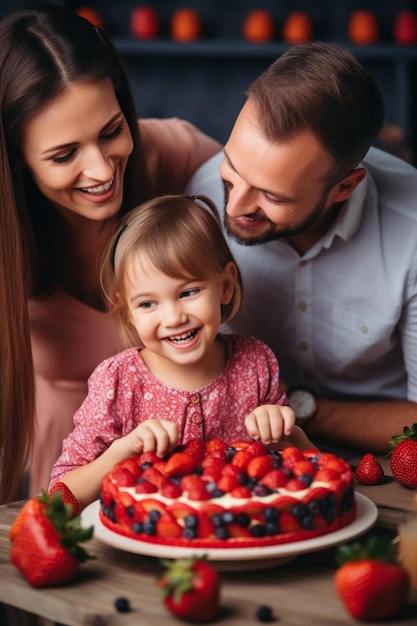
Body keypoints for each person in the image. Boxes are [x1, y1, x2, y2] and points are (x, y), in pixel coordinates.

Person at [0, 4, 221, 504]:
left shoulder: (179, 159)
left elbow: (278, 184)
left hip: (186, 484)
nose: (101, 170)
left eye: (111, 131)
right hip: (61, 484)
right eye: (64, 155)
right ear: (15, 158)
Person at [186, 41, 417, 457]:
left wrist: (293, 407)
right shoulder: (200, 197)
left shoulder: (412, 233)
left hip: (384, 466)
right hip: (238, 460)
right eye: (232, 168)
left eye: (272, 196)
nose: (233, 207)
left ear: (344, 187)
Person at [49, 194, 314, 512]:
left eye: (188, 292)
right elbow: (59, 497)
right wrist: (122, 451)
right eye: (148, 303)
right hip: (149, 549)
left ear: (225, 286)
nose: (173, 317)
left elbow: (309, 470)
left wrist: (288, 435)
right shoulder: (118, 381)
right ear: (127, 310)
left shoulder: (254, 362)